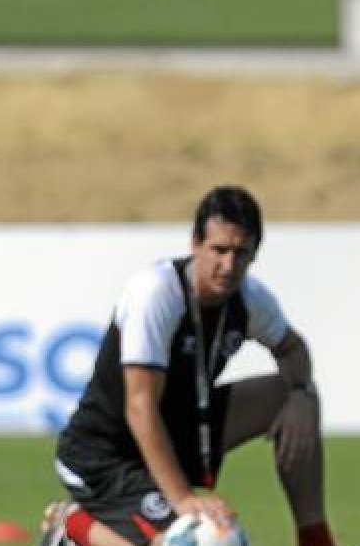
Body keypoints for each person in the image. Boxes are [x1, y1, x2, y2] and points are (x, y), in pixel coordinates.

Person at [40, 186, 337, 546]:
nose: (228, 265)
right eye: (219, 250)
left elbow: (293, 349)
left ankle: (315, 538)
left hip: (180, 433)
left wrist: (303, 394)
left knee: (287, 394)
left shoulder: (249, 299)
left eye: (241, 253)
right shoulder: (156, 293)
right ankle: (72, 526)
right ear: (196, 243)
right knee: (196, 540)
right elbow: (139, 406)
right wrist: (183, 500)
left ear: (255, 254)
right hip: (104, 456)